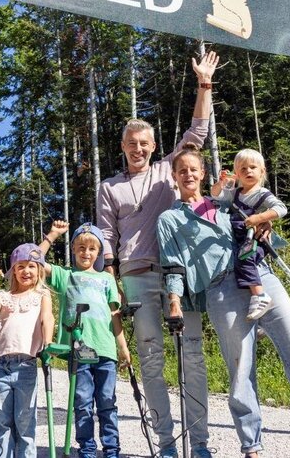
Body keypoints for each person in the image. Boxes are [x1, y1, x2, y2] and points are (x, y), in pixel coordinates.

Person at [157, 146, 290, 458]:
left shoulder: (228, 205)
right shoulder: (170, 219)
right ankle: (252, 448)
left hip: (261, 278)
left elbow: (259, 222)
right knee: (240, 368)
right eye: (182, 171)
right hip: (220, 290)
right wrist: (175, 300)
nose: (188, 174)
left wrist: (266, 227)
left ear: (203, 174)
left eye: (194, 169)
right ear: (175, 177)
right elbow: (172, 264)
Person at [94, 50, 219, 458]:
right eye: (131, 144)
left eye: (144, 143)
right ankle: (166, 445)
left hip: (179, 275)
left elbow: (198, 132)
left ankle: (199, 444)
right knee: (150, 360)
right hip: (133, 276)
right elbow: (106, 238)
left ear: (153, 146)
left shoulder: (168, 170)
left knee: (194, 356)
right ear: (123, 146)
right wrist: (110, 280)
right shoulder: (109, 187)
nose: (138, 149)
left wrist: (204, 83)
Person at [37, 221, 130, 458]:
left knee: (107, 403)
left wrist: (123, 348)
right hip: (79, 351)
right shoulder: (66, 275)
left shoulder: (106, 279)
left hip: (105, 350)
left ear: (98, 253)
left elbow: (114, 316)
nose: (85, 253)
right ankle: (86, 450)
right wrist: (53, 234)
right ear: (74, 250)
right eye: (80, 248)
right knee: (82, 403)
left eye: (91, 249)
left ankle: (111, 451)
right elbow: (35, 261)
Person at [0, 244, 55, 458]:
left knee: (24, 421)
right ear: (13, 270)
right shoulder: (5, 296)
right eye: (20, 266)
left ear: (39, 270)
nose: (26, 271)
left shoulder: (41, 295)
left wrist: (47, 343)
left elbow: (47, 319)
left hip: (25, 365)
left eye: (31, 266)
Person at [209, 149, 288, 321]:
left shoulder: (262, 194)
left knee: (245, 259)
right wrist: (221, 182)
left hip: (256, 239)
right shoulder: (235, 193)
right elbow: (215, 195)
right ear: (236, 174)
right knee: (240, 266)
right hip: (239, 238)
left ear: (262, 171)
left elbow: (281, 208)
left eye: (253, 167)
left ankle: (260, 296)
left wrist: (261, 217)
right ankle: (260, 322)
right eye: (243, 169)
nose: (248, 171)